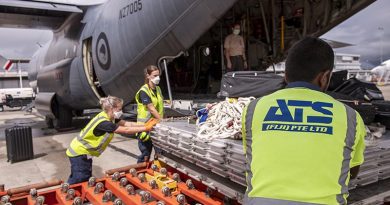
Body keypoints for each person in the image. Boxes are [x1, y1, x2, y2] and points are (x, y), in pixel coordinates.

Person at [242, 37, 366, 205]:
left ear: (286, 75)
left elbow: (253, 160)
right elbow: (352, 171)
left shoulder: (253, 109)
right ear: (325, 77)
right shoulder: (350, 117)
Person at [66, 96, 157, 184]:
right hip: (79, 152)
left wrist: (145, 124)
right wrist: (146, 129)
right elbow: (126, 130)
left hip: (85, 152)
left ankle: (75, 193)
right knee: (80, 178)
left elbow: (127, 124)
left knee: (83, 176)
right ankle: (68, 193)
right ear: (111, 109)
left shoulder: (109, 117)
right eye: (119, 109)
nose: (121, 111)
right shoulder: (104, 123)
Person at [135, 65, 164, 163]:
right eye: (155, 76)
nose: (158, 78)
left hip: (156, 126)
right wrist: (162, 120)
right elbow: (151, 108)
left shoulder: (158, 89)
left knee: (159, 154)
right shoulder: (144, 91)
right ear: (148, 76)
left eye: (158, 75)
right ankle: (139, 173)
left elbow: (159, 107)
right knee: (145, 155)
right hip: (145, 128)